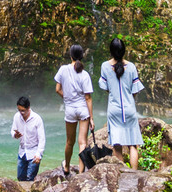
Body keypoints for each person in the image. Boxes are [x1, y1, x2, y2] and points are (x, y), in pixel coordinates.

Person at [98, 37, 144, 170]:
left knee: (117, 145)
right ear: (124, 51)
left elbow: (105, 87)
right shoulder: (131, 67)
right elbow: (134, 91)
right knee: (133, 144)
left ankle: (122, 174)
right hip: (129, 109)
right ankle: (134, 175)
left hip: (114, 110)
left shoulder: (105, 66)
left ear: (111, 51)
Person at [54, 43, 94, 175]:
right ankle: (81, 172)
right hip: (83, 109)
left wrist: (67, 98)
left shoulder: (63, 69)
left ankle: (66, 167)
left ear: (70, 55)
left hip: (70, 110)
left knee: (69, 142)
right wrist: (91, 118)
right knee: (82, 143)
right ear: (82, 56)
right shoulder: (85, 74)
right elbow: (88, 98)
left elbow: (57, 89)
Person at [11, 95, 45, 182]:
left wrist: (39, 154)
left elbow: (42, 138)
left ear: (28, 108)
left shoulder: (37, 119)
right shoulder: (16, 117)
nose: (21, 113)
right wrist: (15, 135)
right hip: (22, 152)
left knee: (30, 179)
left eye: (23, 111)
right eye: (19, 110)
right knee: (20, 178)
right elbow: (12, 131)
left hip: (34, 152)